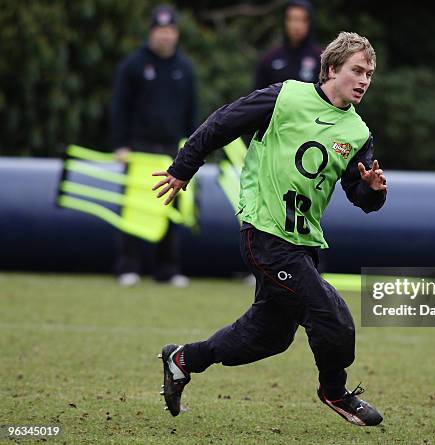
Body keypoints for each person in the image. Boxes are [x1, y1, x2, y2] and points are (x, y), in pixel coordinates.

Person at [153, 32, 387, 426]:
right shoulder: (287, 96)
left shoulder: (357, 133)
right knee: (334, 319)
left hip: (304, 241)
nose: (364, 80)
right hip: (266, 233)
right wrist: (182, 168)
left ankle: (183, 359)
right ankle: (336, 393)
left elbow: (360, 197)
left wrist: (372, 191)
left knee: (269, 337)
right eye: (357, 71)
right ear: (332, 69)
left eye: (369, 74)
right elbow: (222, 123)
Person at [110, 4, 197, 287]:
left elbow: (192, 113)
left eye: (169, 30)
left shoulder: (185, 69)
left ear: (176, 34)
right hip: (139, 149)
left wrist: (192, 149)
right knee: (133, 208)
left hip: (173, 152)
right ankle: (128, 267)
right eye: (160, 31)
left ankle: (167, 269)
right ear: (151, 33)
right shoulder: (133, 65)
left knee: (170, 209)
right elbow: (119, 107)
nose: (165, 36)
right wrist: (120, 144)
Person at [254, 0, 321, 90]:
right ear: (285, 21)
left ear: (310, 23)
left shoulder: (321, 58)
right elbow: (257, 97)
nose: (297, 26)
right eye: (292, 19)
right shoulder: (269, 58)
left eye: (302, 20)